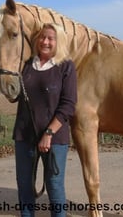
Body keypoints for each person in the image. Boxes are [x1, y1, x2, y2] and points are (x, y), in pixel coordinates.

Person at [13, 23, 77, 217]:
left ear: (59, 42)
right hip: (24, 135)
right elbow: (16, 96)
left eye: (51, 38)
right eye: (42, 37)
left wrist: (48, 133)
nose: (45, 41)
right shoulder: (26, 65)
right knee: (24, 185)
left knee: (54, 186)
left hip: (54, 138)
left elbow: (68, 105)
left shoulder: (65, 67)